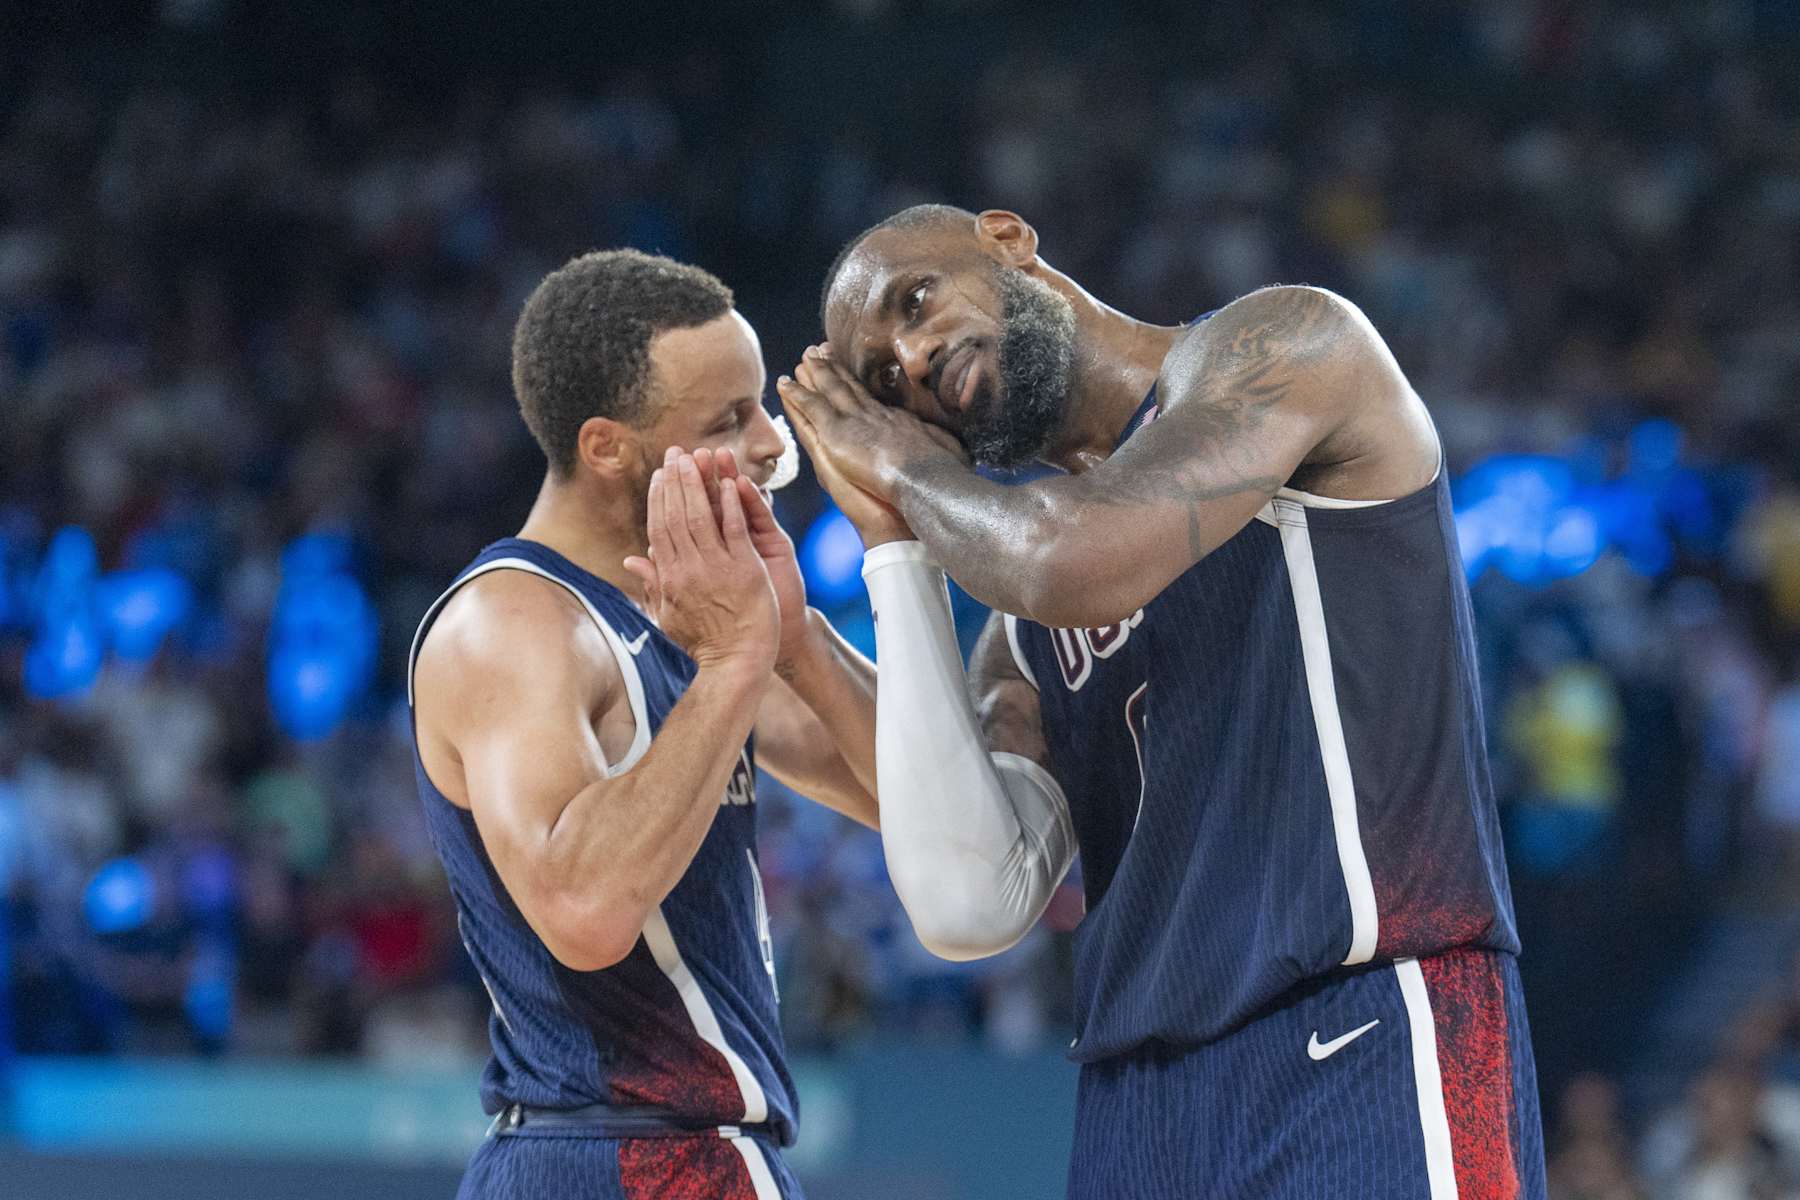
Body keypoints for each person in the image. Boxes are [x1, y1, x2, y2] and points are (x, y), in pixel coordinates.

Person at [778, 204, 1547, 1198]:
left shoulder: (1288, 346)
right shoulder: (1025, 632)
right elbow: (971, 892)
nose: (916, 357)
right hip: (1136, 1103)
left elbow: (1067, 557)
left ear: (1007, 239)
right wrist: (882, 557)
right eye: (885, 382)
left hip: (1360, 1023)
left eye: (916, 301)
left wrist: (898, 463)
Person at [410, 249, 879, 1199]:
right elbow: (582, 911)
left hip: (696, 1154)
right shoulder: (514, 624)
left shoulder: (692, 614)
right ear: (607, 448)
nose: (768, 443)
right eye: (727, 420)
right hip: (610, 1152)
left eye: (759, 405)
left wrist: (797, 641)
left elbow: (922, 802)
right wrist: (739, 660)